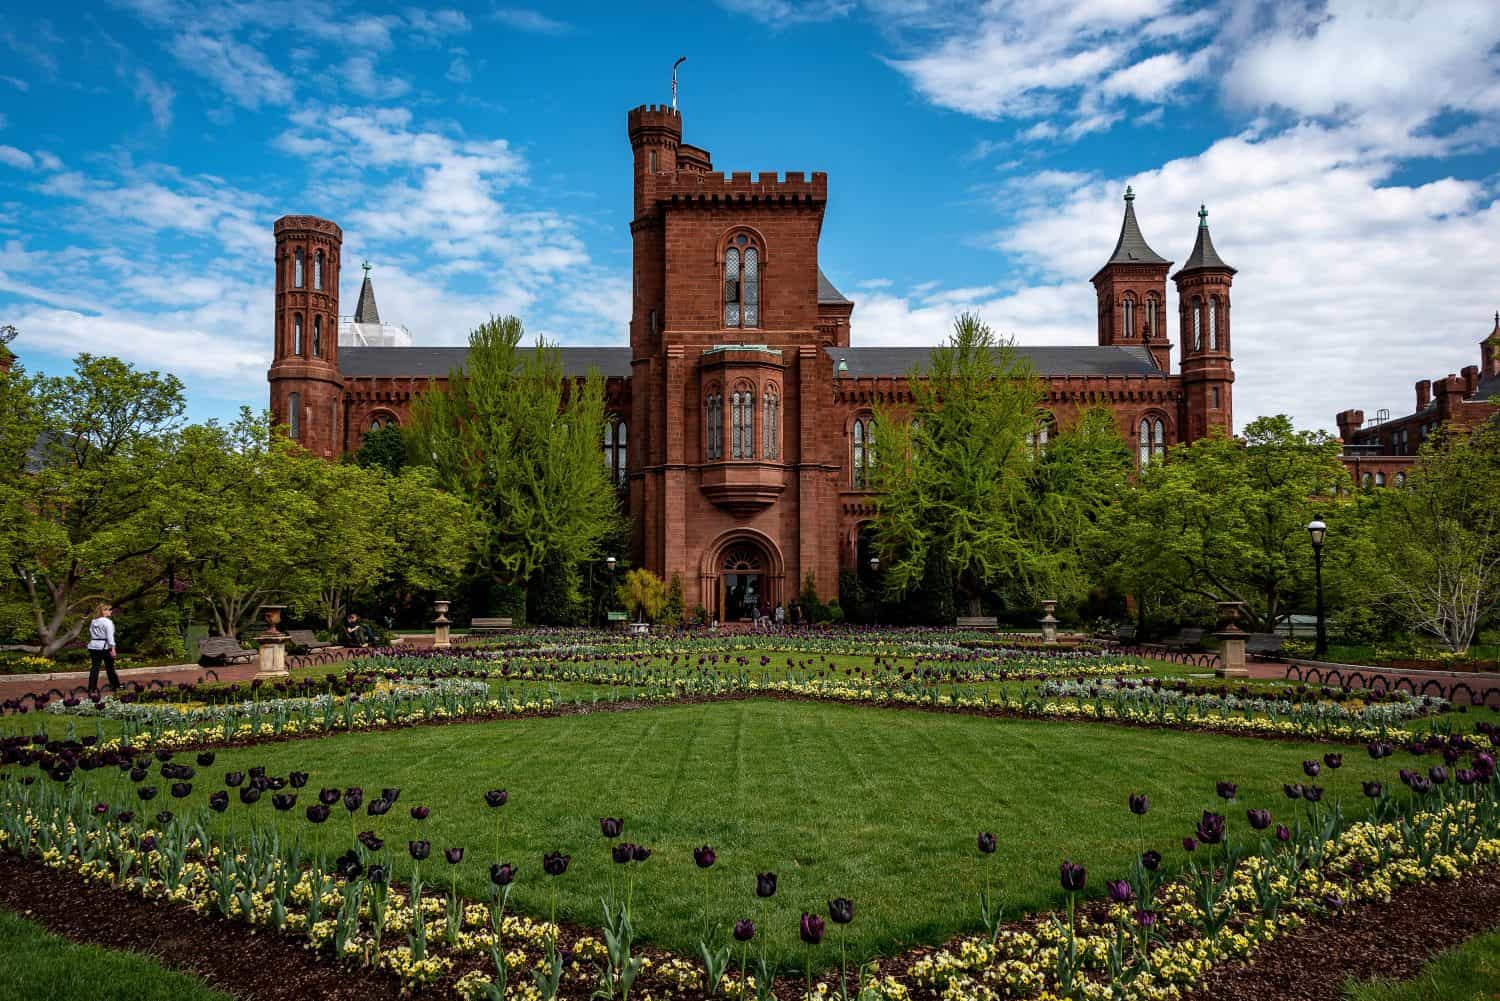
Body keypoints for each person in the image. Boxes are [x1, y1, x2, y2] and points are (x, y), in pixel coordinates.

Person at [86, 603, 120, 693]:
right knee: (110, 667)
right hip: (104, 647)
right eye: (108, 610)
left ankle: (91, 687)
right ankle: (116, 686)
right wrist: (113, 648)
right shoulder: (107, 622)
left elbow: (91, 633)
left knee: (95, 667)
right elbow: (110, 637)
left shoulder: (93, 621)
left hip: (93, 646)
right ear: (103, 611)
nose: (110, 611)